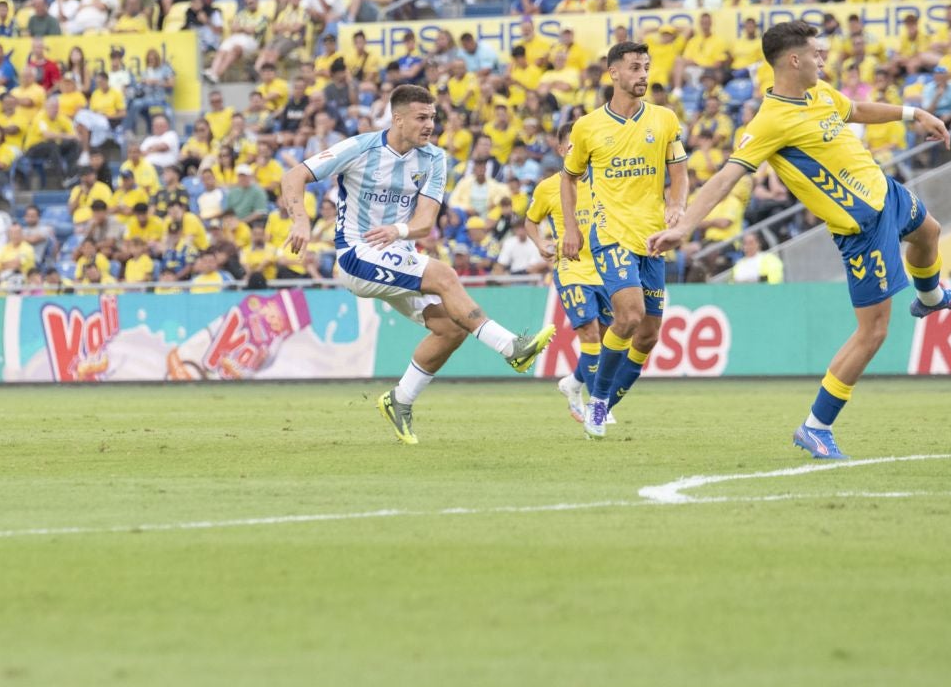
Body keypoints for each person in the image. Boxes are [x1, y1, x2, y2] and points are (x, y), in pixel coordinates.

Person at [648, 21, 951, 460]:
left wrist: (913, 114)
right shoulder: (769, 122)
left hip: (885, 191)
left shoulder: (820, 94)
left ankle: (932, 297)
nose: (824, 59)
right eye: (817, 53)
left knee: (929, 232)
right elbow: (727, 177)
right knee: (873, 333)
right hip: (862, 228)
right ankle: (815, 425)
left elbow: (857, 110)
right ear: (793, 59)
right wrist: (684, 227)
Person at [278, 85, 554, 444]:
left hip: (398, 254)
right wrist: (300, 221)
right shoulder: (359, 148)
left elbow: (426, 220)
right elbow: (293, 175)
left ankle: (400, 400)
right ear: (398, 119)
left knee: (452, 329)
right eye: (422, 118)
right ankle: (512, 348)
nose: (430, 125)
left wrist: (398, 229)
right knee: (444, 274)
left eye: (433, 118)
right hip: (355, 254)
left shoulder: (434, 159)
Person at [559, 41, 688, 436]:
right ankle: (597, 401)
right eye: (634, 67)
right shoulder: (587, 127)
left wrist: (677, 206)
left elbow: (679, 173)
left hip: (652, 238)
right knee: (628, 316)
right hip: (611, 233)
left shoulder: (665, 119)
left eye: (646, 67)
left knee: (648, 335)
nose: (643, 75)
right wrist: (570, 227)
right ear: (613, 73)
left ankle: (604, 401)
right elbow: (568, 176)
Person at [524, 168, 615, 431]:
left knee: (609, 338)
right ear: (563, 148)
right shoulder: (548, 187)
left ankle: (573, 383)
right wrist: (540, 243)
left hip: (604, 268)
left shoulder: (604, 178)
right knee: (590, 335)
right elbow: (530, 220)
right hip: (571, 268)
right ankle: (598, 407)